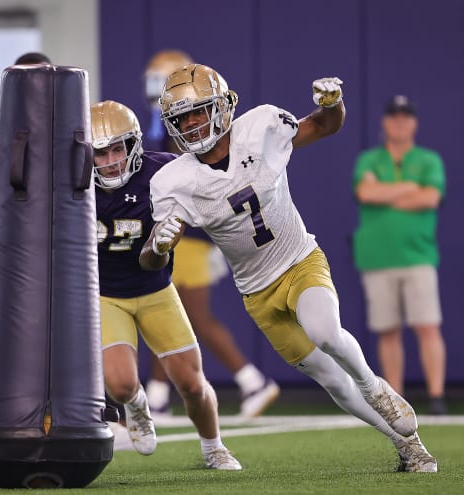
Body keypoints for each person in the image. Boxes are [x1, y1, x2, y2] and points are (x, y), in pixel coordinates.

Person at [140, 64, 437, 472]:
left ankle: (374, 385)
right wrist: (159, 244)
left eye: (198, 112)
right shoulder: (173, 180)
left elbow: (323, 126)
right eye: (181, 118)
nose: (191, 124)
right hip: (256, 292)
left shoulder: (260, 127)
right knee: (331, 380)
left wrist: (334, 104)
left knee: (325, 331)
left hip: (298, 260)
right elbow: (153, 258)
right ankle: (406, 445)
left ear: (223, 107)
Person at [90, 100, 242, 470]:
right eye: (100, 152)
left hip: (155, 288)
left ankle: (213, 446)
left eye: (117, 149)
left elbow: (152, 261)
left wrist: (160, 245)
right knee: (121, 384)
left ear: (134, 147)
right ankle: (138, 406)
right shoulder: (70, 186)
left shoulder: (165, 174)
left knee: (191, 383)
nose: (110, 160)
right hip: (106, 295)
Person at [142, 49, 279, 419]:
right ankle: (158, 394)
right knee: (174, 313)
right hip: (191, 231)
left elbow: (186, 160)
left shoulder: (190, 124)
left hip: (194, 232)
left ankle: (250, 379)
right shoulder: (166, 122)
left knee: (184, 315)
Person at [353, 95, 447, 415]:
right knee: (388, 330)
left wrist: (386, 194)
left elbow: (431, 198)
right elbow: (365, 193)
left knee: (427, 326)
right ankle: (397, 399)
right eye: (394, 116)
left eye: (405, 117)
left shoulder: (429, 160)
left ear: (414, 123)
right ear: (385, 122)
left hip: (418, 254)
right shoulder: (368, 160)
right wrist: (409, 188)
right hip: (377, 257)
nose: (399, 122)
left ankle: (436, 396)